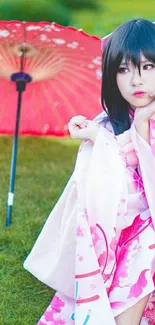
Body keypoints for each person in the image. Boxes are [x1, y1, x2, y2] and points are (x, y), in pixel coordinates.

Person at [24, 18, 155, 325]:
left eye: (147, 67)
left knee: (148, 241)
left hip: (143, 242)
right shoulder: (112, 124)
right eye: (124, 69)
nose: (136, 80)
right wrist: (103, 138)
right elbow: (114, 192)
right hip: (124, 240)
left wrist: (138, 131)